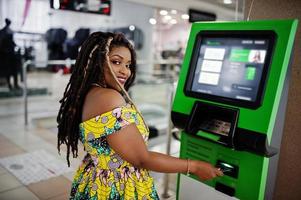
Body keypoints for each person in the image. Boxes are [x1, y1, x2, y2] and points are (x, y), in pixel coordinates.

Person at [57, 32, 223, 199]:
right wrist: (193, 166)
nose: (125, 71)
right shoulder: (109, 97)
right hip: (117, 186)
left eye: (128, 65)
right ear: (96, 63)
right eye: (116, 62)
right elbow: (141, 159)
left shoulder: (90, 92)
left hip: (95, 179)